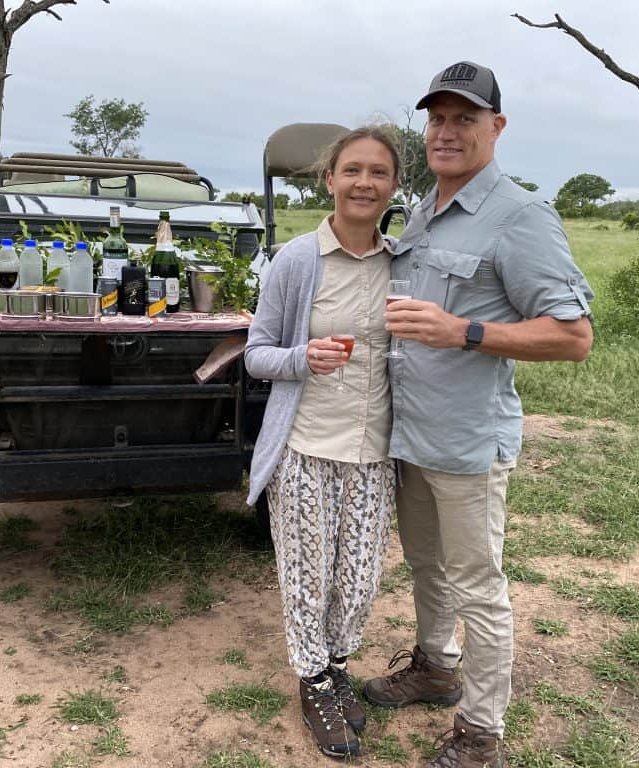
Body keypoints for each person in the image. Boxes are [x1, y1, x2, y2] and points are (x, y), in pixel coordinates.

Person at [362, 62, 595, 768]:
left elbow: (573, 336)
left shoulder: (521, 217)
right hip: (411, 435)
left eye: (464, 118)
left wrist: (462, 331)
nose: (446, 132)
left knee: (478, 587)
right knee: (426, 566)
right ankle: (436, 668)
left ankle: (481, 733)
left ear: (497, 127)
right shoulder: (423, 211)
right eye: (436, 118)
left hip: (466, 442)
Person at [245, 126, 401, 759]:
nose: (365, 183)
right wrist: (302, 357)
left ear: (394, 185)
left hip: (375, 451)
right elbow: (255, 354)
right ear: (329, 179)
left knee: (358, 580)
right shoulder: (297, 260)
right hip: (306, 447)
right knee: (308, 577)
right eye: (352, 170)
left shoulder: (402, 262)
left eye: (379, 172)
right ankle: (312, 682)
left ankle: (336, 665)